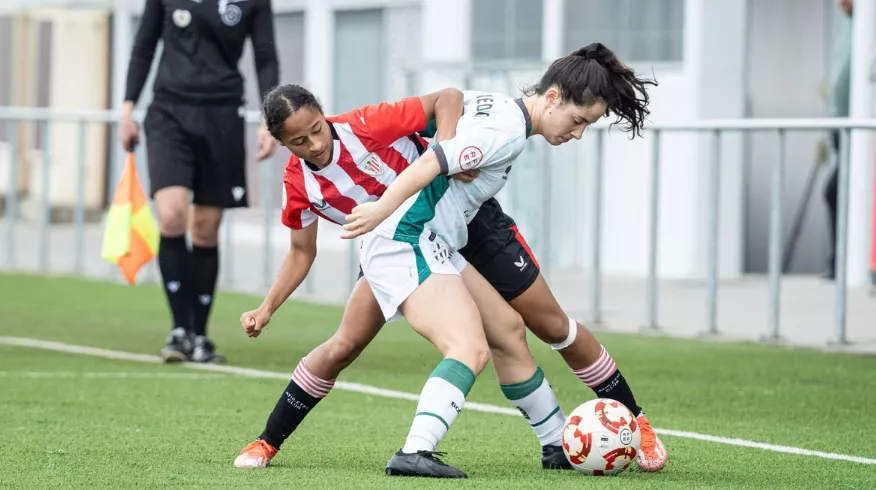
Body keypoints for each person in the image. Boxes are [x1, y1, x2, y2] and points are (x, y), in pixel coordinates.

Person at [235, 43, 665, 477]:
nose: (577, 134)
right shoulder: (504, 131)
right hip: (406, 234)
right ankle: (411, 452)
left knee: (508, 329)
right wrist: (397, 196)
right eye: (578, 122)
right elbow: (431, 165)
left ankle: (557, 443)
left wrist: (441, 150)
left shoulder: (482, 114)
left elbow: (448, 100)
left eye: (315, 129)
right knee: (464, 346)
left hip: (435, 231)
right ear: (552, 98)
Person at [119, 0, 280, 362]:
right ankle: (179, 330)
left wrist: (270, 119)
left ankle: (200, 335)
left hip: (222, 115)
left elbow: (266, 57)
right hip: (169, 112)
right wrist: (128, 107)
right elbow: (144, 45)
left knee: (206, 228)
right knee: (172, 215)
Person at [823, 0, 853, 280]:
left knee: (836, 192)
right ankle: (838, 263)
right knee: (836, 192)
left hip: (861, 128)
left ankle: (842, 264)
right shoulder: (847, 25)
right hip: (842, 125)